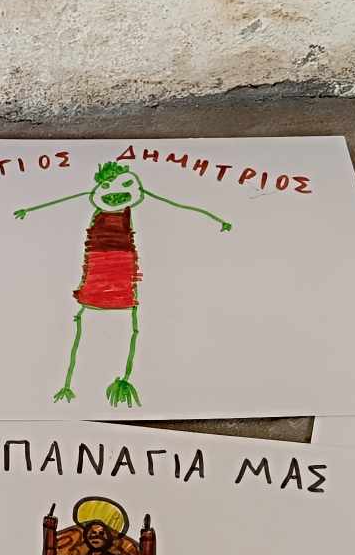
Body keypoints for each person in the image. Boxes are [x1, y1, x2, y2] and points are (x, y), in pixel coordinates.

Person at [12, 162, 231, 407]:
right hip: (99, 271)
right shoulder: (98, 211)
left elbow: (177, 205)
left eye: (125, 184)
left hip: (121, 272)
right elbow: (61, 201)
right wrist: (29, 210)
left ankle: (118, 378)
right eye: (107, 186)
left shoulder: (131, 212)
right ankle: (70, 384)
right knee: (90, 323)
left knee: (122, 326)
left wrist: (215, 219)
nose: (116, 192)